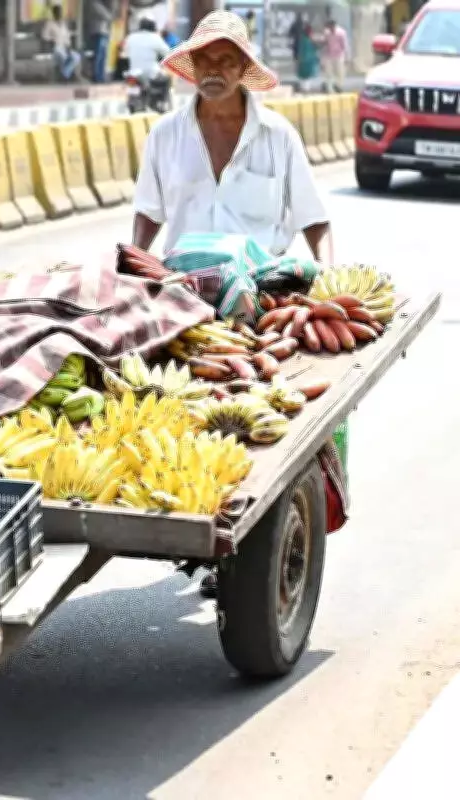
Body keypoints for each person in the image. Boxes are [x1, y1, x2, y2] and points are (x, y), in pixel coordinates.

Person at [132, 11, 332, 597]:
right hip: (182, 299)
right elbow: (148, 212)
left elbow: (314, 219)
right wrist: (133, 270)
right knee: (178, 410)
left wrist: (326, 276)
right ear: (190, 68)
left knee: (259, 416)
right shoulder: (166, 136)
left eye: (227, 62)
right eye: (205, 62)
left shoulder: (279, 137)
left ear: (246, 69)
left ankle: (245, 538)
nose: (214, 72)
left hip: (262, 300)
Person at [42, 4, 82, 82]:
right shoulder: (50, 24)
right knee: (63, 56)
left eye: (60, 12)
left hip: (64, 47)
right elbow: (44, 36)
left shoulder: (63, 24)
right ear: (54, 13)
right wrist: (52, 40)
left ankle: (64, 74)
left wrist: (68, 46)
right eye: (57, 12)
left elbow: (67, 37)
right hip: (55, 47)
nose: (59, 14)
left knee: (76, 56)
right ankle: (68, 75)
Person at [124, 14, 170, 78]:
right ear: (153, 26)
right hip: (151, 73)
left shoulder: (131, 37)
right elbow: (167, 52)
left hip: (134, 73)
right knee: (167, 77)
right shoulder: (155, 37)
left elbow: (126, 53)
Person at [90, 0, 115, 83]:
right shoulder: (95, 3)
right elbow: (107, 16)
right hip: (98, 32)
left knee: (103, 56)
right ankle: (97, 76)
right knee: (99, 55)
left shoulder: (103, 4)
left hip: (104, 32)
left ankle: (101, 76)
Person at [323, 18, 349, 92]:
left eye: (331, 27)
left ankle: (339, 86)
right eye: (328, 27)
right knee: (328, 72)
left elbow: (345, 45)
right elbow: (326, 43)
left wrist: (347, 56)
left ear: (334, 25)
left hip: (339, 55)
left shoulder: (341, 32)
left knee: (340, 72)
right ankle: (329, 89)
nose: (330, 29)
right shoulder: (327, 33)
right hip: (329, 55)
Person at [296, 22, 321, 93]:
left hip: (308, 59)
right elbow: (302, 49)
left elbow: (315, 48)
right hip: (306, 59)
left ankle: (305, 88)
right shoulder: (305, 39)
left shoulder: (308, 38)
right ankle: (304, 88)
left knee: (307, 75)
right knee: (305, 74)